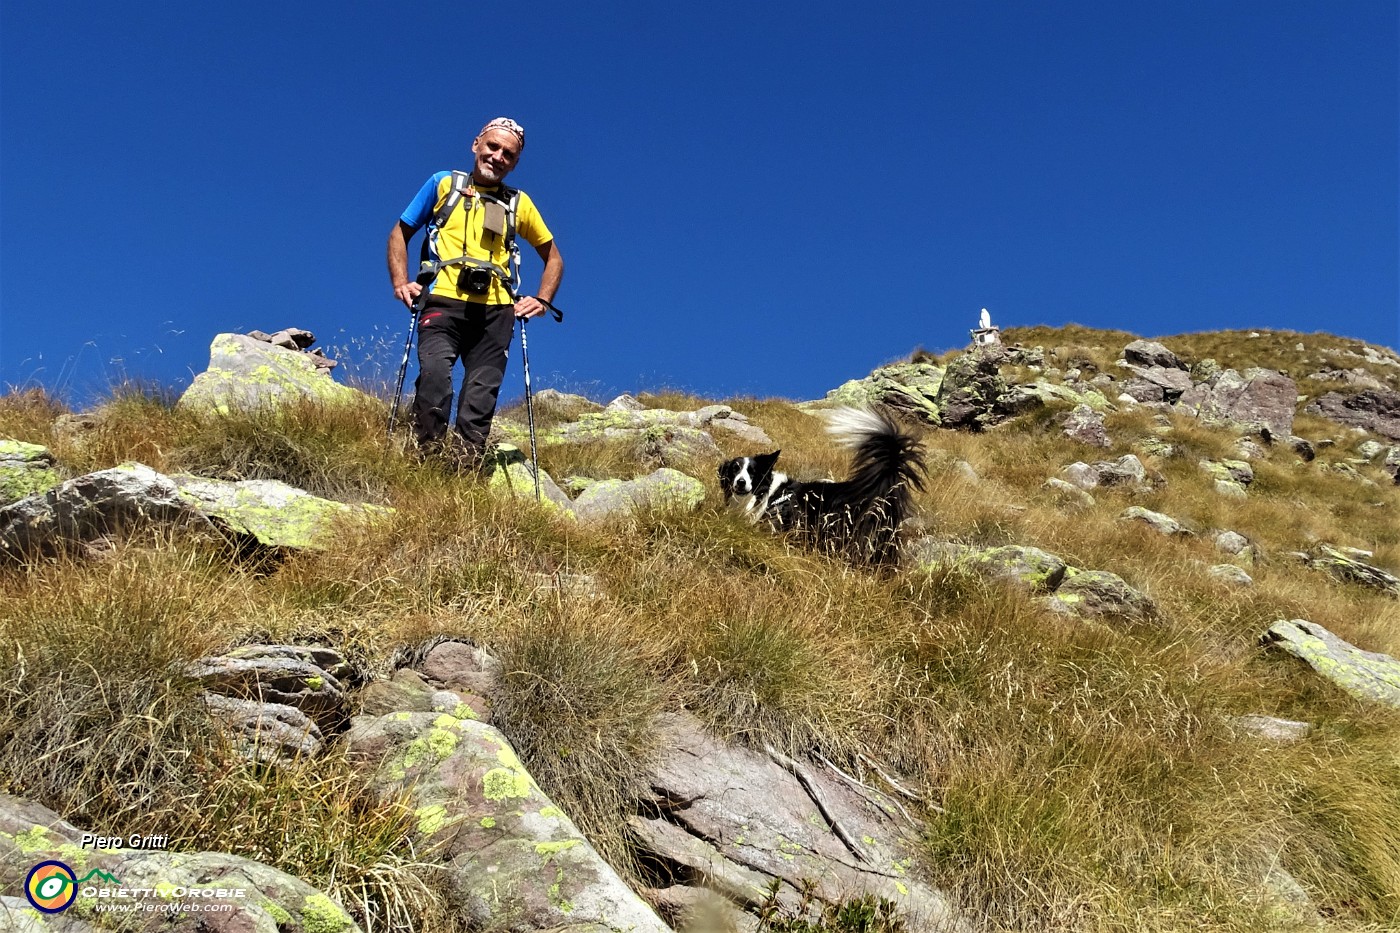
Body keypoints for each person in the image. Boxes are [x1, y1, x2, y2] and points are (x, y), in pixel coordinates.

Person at [386, 116, 564, 463]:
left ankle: (465, 471)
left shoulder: (518, 203)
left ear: (515, 163)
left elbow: (554, 257)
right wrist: (400, 282)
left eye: (508, 154)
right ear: (476, 145)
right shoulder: (442, 184)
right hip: (442, 300)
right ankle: (427, 463)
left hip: (496, 312)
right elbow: (399, 232)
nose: (498, 157)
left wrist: (542, 299)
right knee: (436, 378)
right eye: (493, 147)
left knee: (480, 400)